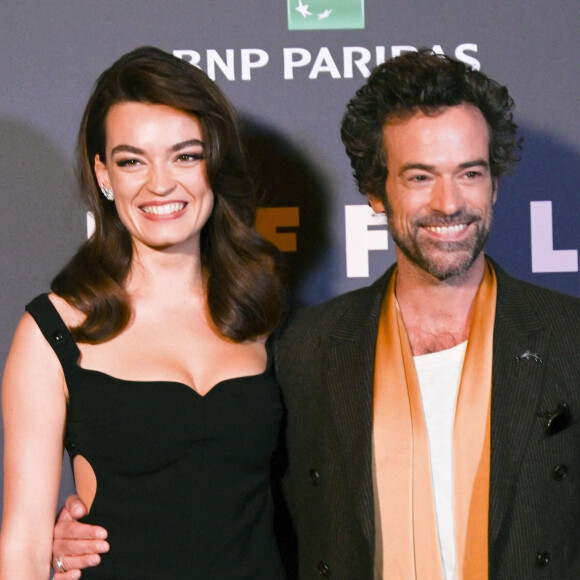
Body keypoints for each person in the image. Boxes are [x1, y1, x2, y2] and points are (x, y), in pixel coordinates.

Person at [52, 49, 580, 579]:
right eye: (420, 177)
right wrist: (90, 532)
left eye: (470, 172)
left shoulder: (569, 338)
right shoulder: (304, 348)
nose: (449, 202)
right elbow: (229, 495)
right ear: (376, 192)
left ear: (494, 183)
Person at [0, 46, 287, 579]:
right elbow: (22, 548)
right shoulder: (56, 331)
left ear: (214, 163)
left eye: (185, 155)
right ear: (104, 175)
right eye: (133, 160)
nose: (160, 184)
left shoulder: (266, 318)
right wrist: (56, 552)